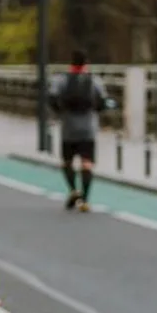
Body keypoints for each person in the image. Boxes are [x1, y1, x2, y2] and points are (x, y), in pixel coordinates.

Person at [51, 49, 112, 212]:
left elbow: (52, 98)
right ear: (86, 64)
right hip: (88, 127)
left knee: (67, 161)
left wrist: (61, 112)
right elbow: (103, 102)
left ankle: (73, 190)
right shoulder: (94, 81)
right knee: (87, 163)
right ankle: (85, 198)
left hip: (68, 127)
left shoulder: (62, 80)